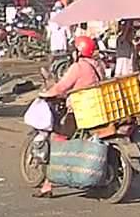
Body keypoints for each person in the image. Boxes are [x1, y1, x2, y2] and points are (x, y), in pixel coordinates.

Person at [34, 35, 109, 198]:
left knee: (58, 139)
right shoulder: (99, 65)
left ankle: (48, 185)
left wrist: (46, 94)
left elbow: (61, 87)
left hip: (80, 111)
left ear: (78, 52)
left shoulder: (78, 67)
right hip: (98, 109)